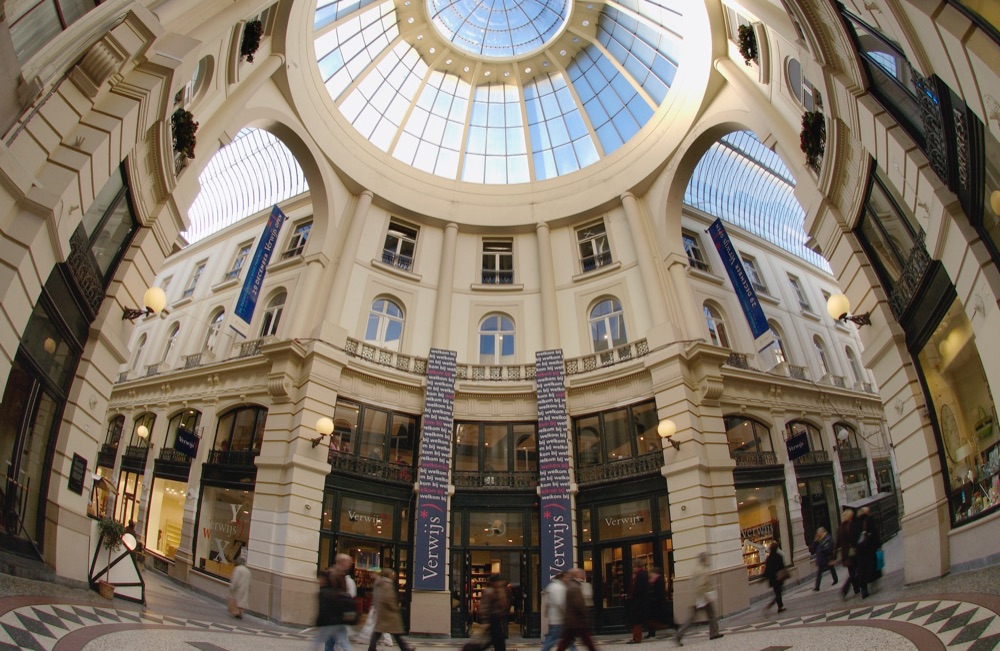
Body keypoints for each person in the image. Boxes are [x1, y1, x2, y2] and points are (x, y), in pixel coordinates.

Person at [674, 552, 723, 646]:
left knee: (692, 618)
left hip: (696, 598)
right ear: (704, 559)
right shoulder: (703, 570)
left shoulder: (698, 569)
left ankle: (679, 635)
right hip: (701, 598)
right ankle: (714, 633)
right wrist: (706, 597)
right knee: (711, 614)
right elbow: (701, 585)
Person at [368, 569, 413, 651]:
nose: (395, 576)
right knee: (394, 632)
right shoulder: (387, 584)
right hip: (388, 613)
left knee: (380, 631)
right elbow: (388, 598)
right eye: (393, 574)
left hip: (382, 611)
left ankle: (372, 648)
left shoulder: (380, 583)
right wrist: (394, 608)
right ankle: (405, 648)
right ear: (389, 575)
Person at [555, 569, 598, 651]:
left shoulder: (571, 585)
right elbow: (579, 605)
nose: (584, 575)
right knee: (588, 642)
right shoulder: (575, 587)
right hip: (577, 621)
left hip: (572, 621)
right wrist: (585, 616)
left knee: (565, 642)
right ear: (577, 575)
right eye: (582, 573)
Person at [324, 554, 355, 651]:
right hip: (336, 613)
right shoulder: (335, 574)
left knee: (330, 640)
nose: (350, 564)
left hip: (334, 614)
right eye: (348, 562)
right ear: (342, 562)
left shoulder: (338, 573)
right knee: (342, 641)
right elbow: (334, 594)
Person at [541, 572, 574, 651]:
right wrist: (567, 614)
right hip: (559, 619)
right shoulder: (559, 588)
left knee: (567, 640)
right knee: (552, 640)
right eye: (567, 577)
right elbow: (561, 602)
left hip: (554, 618)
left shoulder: (552, 586)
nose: (568, 579)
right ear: (562, 577)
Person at [854, 507, 881, 599]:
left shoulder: (855, 523)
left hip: (859, 550)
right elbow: (875, 532)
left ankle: (863, 589)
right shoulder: (869, 519)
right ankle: (872, 582)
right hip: (869, 547)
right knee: (871, 566)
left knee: (862, 569)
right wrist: (878, 545)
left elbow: (853, 538)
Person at [479, 574, 508, 651]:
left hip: (498, 620)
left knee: (493, 641)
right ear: (495, 582)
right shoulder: (489, 592)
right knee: (498, 642)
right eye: (500, 581)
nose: (502, 583)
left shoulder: (500, 590)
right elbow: (484, 607)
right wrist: (485, 621)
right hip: (492, 621)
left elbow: (503, 605)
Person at [837, 509, 859, 599]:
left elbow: (837, 542)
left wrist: (834, 555)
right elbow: (855, 538)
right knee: (854, 571)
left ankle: (856, 588)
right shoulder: (851, 526)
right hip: (852, 552)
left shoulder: (840, 528)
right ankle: (846, 589)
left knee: (851, 571)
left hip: (845, 553)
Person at [626, 560, 649, 644]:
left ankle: (636, 638)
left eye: (634, 567)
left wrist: (632, 595)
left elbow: (638, 588)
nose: (633, 569)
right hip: (638, 600)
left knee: (636, 619)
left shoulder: (640, 575)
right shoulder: (641, 574)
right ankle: (636, 637)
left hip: (638, 600)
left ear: (637, 567)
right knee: (636, 619)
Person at [761, 542, 787, 613]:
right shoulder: (779, 556)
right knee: (778, 593)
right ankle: (774, 605)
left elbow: (767, 570)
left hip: (772, 579)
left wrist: (763, 577)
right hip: (778, 578)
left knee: (777, 592)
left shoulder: (769, 558)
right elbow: (782, 566)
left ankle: (779, 606)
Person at [645, 566, 671, 637]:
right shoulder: (652, 580)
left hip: (659, 603)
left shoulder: (659, 580)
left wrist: (654, 598)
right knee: (651, 618)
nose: (650, 574)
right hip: (654, 603)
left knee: (665, 619)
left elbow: (660, 592)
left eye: (651, 572)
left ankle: (676, 627)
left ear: (655, 573)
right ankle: (651, 632)